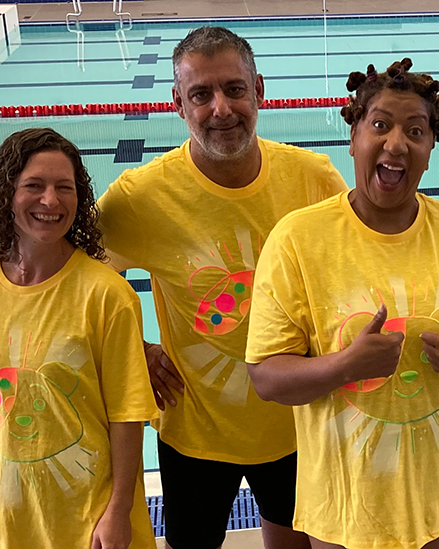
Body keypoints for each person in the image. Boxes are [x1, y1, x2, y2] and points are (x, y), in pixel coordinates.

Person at [244, 59, 439, 549]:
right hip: (342, 507)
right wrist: (345, 365)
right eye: (380, 125)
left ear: (430, 150)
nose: (396, 143)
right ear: (353, 137)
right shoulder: (299, 239)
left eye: (415, 130)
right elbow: (266, 377)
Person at [95, 26, 347, 549]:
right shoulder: (142, 198)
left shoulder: (312, 177)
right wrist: (133, 349)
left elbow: (353, 270)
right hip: (194, 428)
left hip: (297, 423)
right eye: (201, 94)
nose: (221, 109)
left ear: (259, 89)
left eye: (234, 89)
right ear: (178, 104)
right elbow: (83, 286)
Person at [0, 128, 158, 549]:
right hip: (7, 518)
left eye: (64, 188)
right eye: (34, 185)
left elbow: (127, 414)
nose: (50, 201)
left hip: (91, 517)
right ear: (5, 193)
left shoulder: (107, 293)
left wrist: (119, 509)